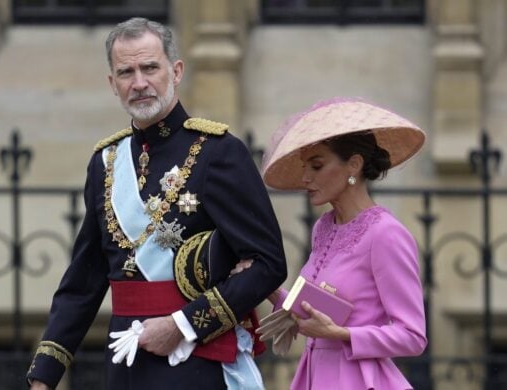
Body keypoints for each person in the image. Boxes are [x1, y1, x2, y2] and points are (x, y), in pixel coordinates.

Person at [27, 17, 287, 389]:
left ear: (176, 71)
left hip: (197, 363)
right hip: (126, 367)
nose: (139, 83)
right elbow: (85, 280)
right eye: (126, 72)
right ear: (112, 84)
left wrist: (182, 325)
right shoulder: (106, 162)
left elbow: (268, 263)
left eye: (150, 67)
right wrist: (44, 375)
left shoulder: (219, 153)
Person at [256, 97, 428, 389]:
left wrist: (343, 334)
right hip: (314, 375)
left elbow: (413, 336)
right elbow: (315, 309)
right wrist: (267, 287)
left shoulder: (386, 234)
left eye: (317, 165)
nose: (306, 177)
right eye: (304, 166)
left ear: (354, 165)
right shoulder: (323, 227)